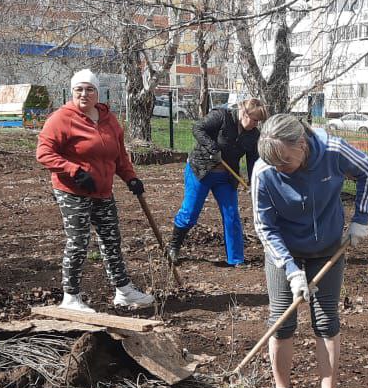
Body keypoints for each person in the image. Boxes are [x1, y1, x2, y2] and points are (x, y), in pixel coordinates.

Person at [253, 114, 368, 388]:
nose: (280, 168)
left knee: (326, 320)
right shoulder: (264, 171)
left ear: (302, 144)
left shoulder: (333, 150)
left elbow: (367, 170)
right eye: (275, 164)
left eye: (285, 161)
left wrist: (361, 218)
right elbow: (264, 226)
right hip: (284, 250)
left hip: (327, 250)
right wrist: (291, 271)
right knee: (281, 321)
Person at [36, 69, 155, 313]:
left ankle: (123, 291)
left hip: (102, 191)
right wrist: (73, 171)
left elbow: (120, 156)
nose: (84, 94)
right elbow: (44, 153)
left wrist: (131, 178)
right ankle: (71, 297)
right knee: (78, 242)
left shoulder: (109, 120)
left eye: (90, 89)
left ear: (97, 93)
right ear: (72, 92)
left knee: (111, 240)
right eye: (79, 89)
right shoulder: (61, 118)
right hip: (72, 191)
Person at [167, 98, 269, 266]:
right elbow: (198, 128)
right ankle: (173, 247)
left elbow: (253, 161)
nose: (256, 124)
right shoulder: (222, 116)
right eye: (254, 119)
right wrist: (212, 148)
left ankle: (236, 259)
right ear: (244, 113)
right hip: (201, 171)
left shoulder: (253, 135)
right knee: (190, 213)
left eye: (258, 121)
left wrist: (254, 183)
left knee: (231, 215)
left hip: (226, 178)